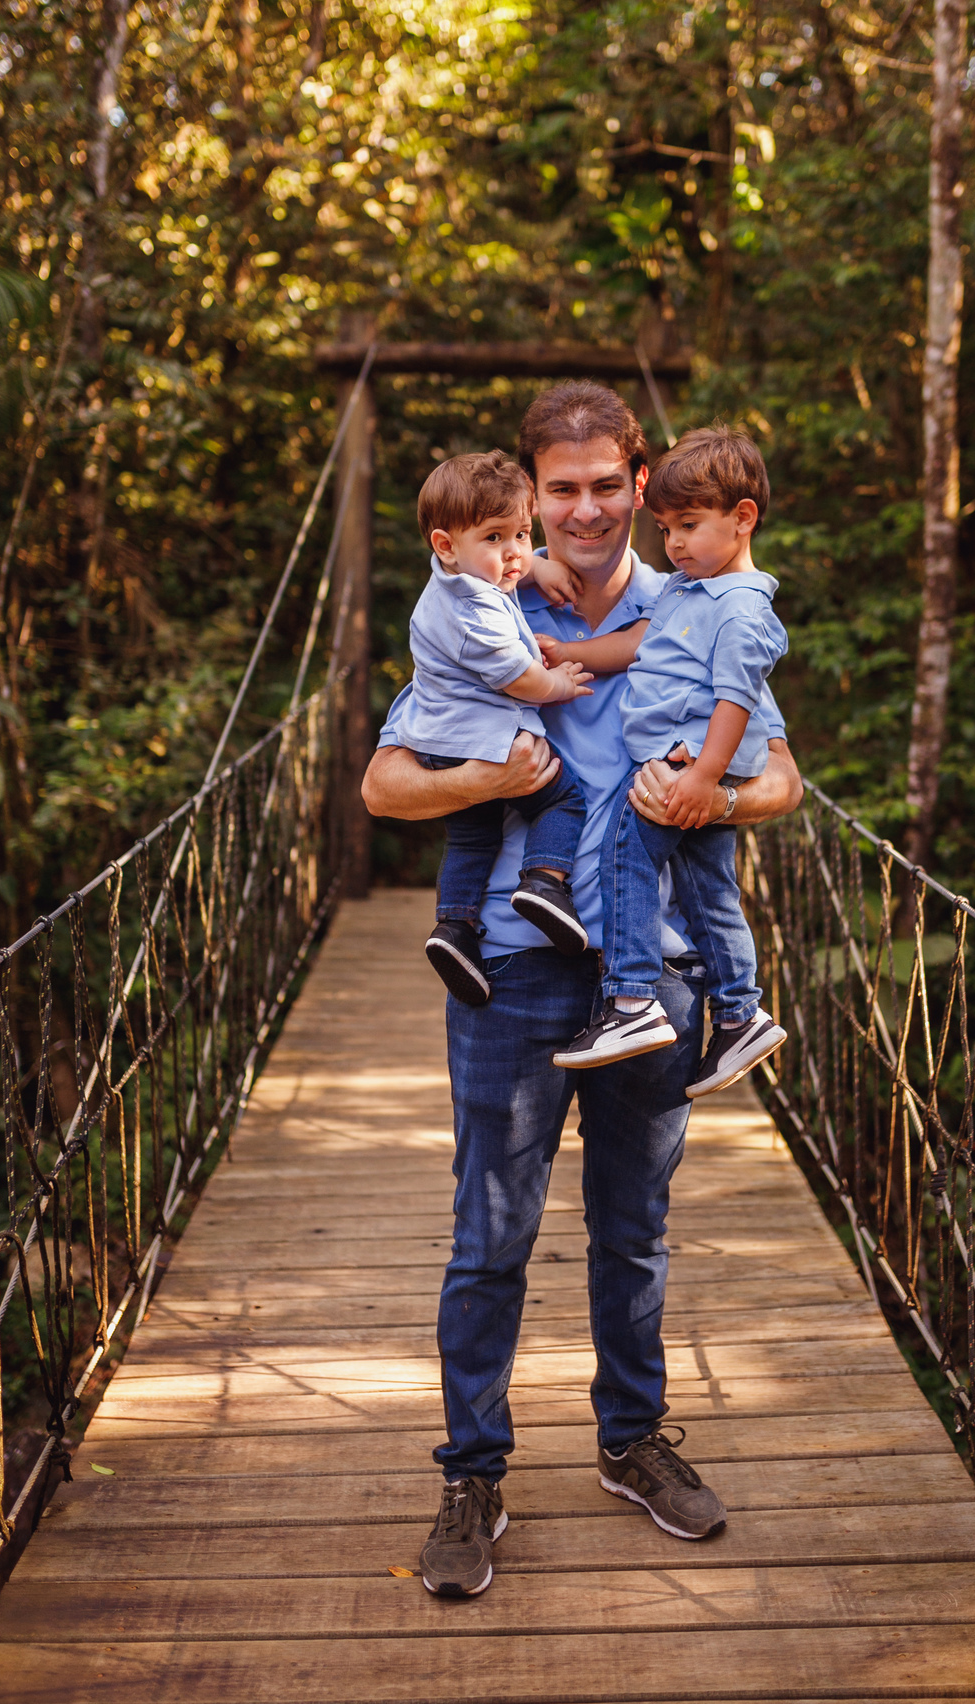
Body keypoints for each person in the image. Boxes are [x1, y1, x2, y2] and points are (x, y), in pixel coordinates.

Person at [361, 382, 803, 1600]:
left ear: (642, 482)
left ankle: (631, 1442)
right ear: (533, 495)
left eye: (610, 484)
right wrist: (495, 777)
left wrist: (714, 796)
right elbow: (384, 788)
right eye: (562, 490)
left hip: (650, 973)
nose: (590, 508)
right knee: (487, 1238)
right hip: (507, 966)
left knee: (635, 1231)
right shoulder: (480, 607)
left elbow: (781, 784)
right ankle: (473, 1473)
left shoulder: (704, 597)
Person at [543, 426, 789, 1098]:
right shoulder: (688, 589)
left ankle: (630, 1001)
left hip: (686, 763)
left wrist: (707, 777)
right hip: (687, 760)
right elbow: (634, 646)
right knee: (711, 890)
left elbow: (737, 697)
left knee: (626, 853)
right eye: (666, 529)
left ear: (742, 520)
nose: (674, 544)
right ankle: (741, 1014)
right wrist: (561, 652)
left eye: (688, 526)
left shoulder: (739, 607)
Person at [398, 450, 595, 1005]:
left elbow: (509, 561)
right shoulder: (474, 612)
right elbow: (519, 679)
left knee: (472, 834)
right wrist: (558, 684)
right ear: (445, 545)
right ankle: (544, 884)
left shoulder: (458, 578)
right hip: (487, 742)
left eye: (522, 533)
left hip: (438, 742)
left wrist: (540, 564)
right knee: (562, 799)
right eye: (494, 538)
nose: (512, 552)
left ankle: (455, 929)